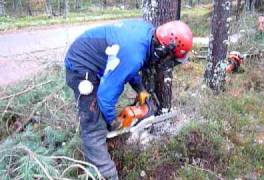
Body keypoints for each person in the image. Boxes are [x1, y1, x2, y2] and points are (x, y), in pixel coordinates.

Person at [64, 19, 193, 179]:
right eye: (170, 59)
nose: (168, 64)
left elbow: (126, 63)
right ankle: (106, 174)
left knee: (102, 112)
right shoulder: (134, 53)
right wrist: (113, 122)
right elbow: (105, 96)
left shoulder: (147, 35)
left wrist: (140, 89)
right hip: (80, 65)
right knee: (94, 125)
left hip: (94, 58)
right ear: (163, 50)